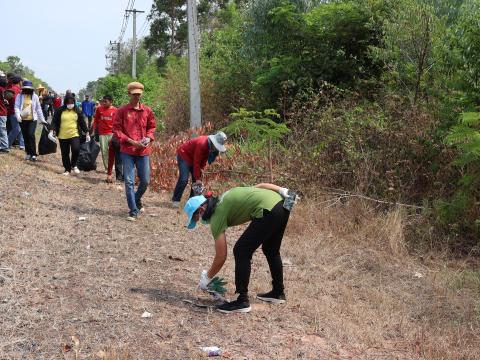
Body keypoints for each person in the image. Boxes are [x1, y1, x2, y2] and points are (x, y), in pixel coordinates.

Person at [184, 183, 297, 313]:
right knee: (271, 249)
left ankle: (241, 300)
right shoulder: (226, 196)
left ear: (201, 210)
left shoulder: (217, 217)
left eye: (197, 218)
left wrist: (207, 278)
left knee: (241, 250)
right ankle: (278, 292)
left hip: (269, 209)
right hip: (284, 203)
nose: (200, 221)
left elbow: (221, 256)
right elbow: (259, 186)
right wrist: (281, 189)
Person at [113, 82, 156, 221]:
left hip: (143, 151)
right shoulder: (122, 111)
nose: (136, 97)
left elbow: (152, 127)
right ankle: (133, 211)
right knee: (129, 181)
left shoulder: (147, 111)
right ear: (129, 94)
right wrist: (131, 141)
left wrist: (149, 138)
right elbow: (117, 130)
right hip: (127, 150)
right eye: (134, 94)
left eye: (138, 94)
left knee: (145, 180)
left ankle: (136, 199)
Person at [172, 131, 227, 207]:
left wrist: (200, 172)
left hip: (193, 159)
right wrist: (198, 178)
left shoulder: (209, 146)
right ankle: (176, 200)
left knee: (197, 181)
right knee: (184, 179)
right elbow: (197, 162)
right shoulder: (202, 143)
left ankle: (192, 201)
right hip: (184, 155)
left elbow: (203, 160)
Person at [51, 94, 89, 175]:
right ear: (65, 103)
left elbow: (82, 122)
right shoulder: (60, 110)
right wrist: (52, 130)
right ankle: (67, 169)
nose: (70, 104)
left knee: (76, 149)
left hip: (74, 134)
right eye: (68, 103)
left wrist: (87, 132)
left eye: (72, 103)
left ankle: (73, 164)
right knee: (65, 153)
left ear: (74, 102)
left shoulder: (77, 110)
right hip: (62, 135)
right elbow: (54, 121)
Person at [14, 80, 47, 161]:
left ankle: (33, 154)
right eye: (26, 89)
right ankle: (28, 153)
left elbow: (38, 109)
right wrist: (18, 115)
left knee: (31, 135)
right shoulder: (19, 96)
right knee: (25, 136)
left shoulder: (35, 97)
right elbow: (16, 106)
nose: (27, 90)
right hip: (22, 119)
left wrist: (42, 119)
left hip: (32, 120)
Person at [91, 95, 117, 171]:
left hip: (112, 133)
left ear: (111, 102)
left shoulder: (115, 110)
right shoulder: (99, 109)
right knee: (104, 151)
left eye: (106, 101)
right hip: (102, 133)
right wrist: (94, 129)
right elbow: (96, 120)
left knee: (112, 150)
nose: (104, 103)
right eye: (103, 101)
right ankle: (107, 168)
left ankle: (113, 164)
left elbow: (117, 122)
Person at [6, 74, 24, 150]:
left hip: (14, 112)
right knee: (16, 129)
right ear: (19, 81)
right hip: (14, 112)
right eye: (21, 81)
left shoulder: (13, 89)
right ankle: (6, 144)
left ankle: (22, 144)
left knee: (19, 128)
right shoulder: (15, 90)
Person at [0, 71, 8, 153]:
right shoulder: (3, 89)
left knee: (2, 130)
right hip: (3, 113)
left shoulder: (0, 89)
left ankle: (5, 147)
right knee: (2, 130)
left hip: (1, 113)